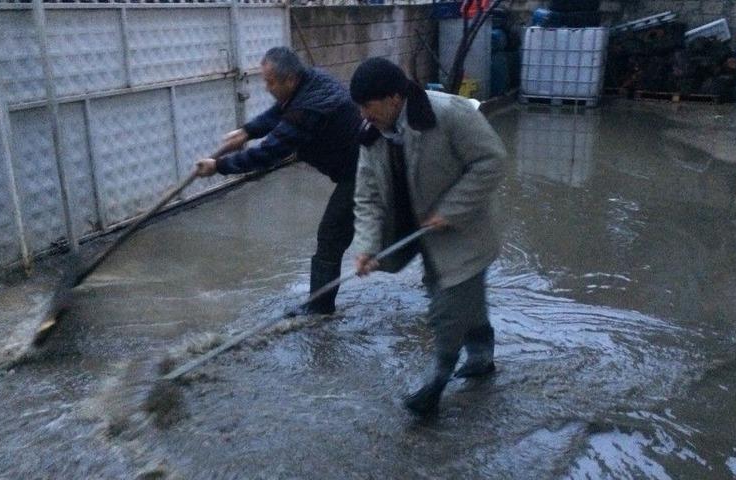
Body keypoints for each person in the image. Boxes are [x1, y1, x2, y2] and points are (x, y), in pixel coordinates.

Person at [348, 57, 506, 415]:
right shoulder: (371, 134)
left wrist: (451, 210)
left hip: (463, 228)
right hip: (416, 228)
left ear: (393, 98)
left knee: (447, 303)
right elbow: (367, 195)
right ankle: (482, 359)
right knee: (466, 295)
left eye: (367, 105)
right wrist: (367, 246)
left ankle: (436, 382)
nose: (363, 114)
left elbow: (492, 161)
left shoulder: (449, 114)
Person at [196, 47, 362, 316]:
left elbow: (268, 153)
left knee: (331, 236)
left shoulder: (307, 109)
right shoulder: (313, 80)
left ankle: (319, 312)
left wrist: (218, 166)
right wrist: (247, 131)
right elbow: (278, 113)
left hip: (361, 173)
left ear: (290, 80)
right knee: (340, 234)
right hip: (353, 166)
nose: (266, 87)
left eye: (270, 82)